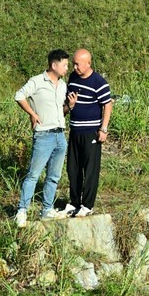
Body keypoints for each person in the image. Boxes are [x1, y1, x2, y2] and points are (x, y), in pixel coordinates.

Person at [14, 49, 75, 227]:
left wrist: (69, 106)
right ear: (54, 65)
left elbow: (60, 111)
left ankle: (47, 209)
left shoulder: (63, 85)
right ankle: (22, 210)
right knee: (33, 174)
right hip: (43, 135)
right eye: (64, 65)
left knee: (54, 176)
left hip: (59, 134)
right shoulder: (37, 81)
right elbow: (19, 96)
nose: (66, 68)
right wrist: (32, 113)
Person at [63, 48, 114, 218]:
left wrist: (103, 129)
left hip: (91, 131)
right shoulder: (73, 78)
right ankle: (74, 202)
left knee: (90, 169)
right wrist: (70, 105)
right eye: (74, 63)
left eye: (78, 64)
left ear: (88, 63)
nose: (75, 66)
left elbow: (107, 104)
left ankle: (87, 205)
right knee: (73, 168)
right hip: (75, 130)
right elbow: (68, 100)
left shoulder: (99, 82)